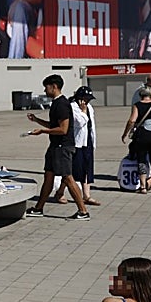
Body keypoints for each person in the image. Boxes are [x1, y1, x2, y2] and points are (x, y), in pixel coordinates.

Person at [25, 74, 89, 219]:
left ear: (54, 86)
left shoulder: (61, 104)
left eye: (46, 87)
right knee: (48, 176)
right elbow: (53, 125)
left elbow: (63, 129)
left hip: (62, 147)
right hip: (55, 146)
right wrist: (37, 121)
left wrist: (42, 132)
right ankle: (38, 208)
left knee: (67, 178)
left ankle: (83, 211)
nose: (45, 90)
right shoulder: (56, 103)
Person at [54, 86, 99, 206]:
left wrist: (93, 142)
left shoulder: (89, 107)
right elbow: (80, 122)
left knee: (87, 170)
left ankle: (86, 195)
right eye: (86, 99)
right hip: (77, 143)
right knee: (72, 171)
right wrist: (83, 111)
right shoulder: (72, 107)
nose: (87, 102)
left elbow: (91, 125)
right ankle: (60, 192)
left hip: (87, 142)